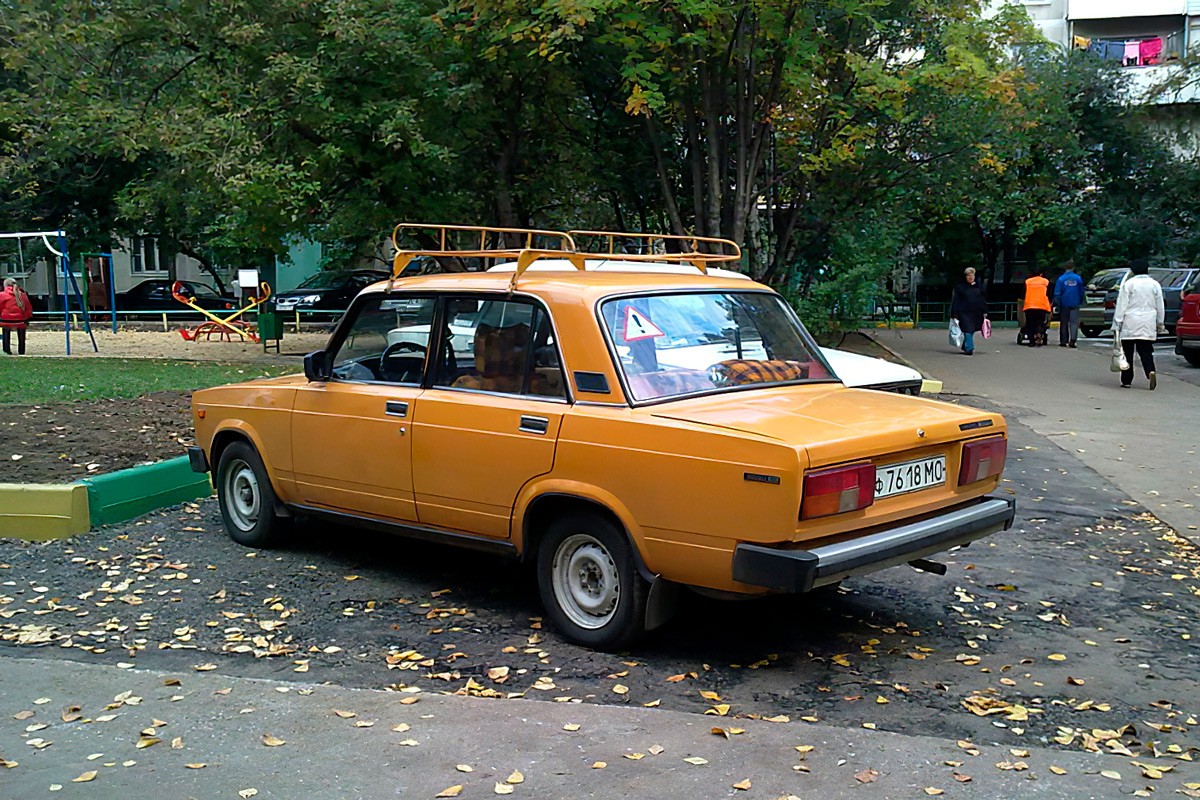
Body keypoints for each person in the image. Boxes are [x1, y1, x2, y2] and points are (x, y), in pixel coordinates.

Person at [1113, 257, 1165, 389]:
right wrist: (1160, 323)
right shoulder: (1154, 284)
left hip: (1130, 321)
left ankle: (1126, 380)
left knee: (1127, 353)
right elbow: (1160, 305)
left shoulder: (1129, 284)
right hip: (1148, 321)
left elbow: (1122, 304)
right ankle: (1150, 371)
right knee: (1146, 350)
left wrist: (1117, 322)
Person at [950, 267, 987, 355]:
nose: (970, 277)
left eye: (972, 275)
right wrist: (954, 314)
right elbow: (956, 301)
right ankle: (969, 348)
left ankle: (965, 345)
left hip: (976, 313)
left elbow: (983, 300)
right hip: (964, 313)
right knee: (968, 329)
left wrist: (985, 311)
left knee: (971, 330)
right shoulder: (960, 288)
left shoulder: (978, 287)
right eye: (968, 275)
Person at [1052, 260, 1085, 347]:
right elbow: (1081, 291)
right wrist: (1080, 301)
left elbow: (1057, 293)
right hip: (1075, 302)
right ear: (1073, 268)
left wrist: (1057, 304)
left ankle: (1063, 341)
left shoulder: (1061, 279)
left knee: (1064, 322)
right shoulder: (1078, 278)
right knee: (1074, 322)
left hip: (1064, 303)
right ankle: (1073, 340)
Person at [0, 277, 33, 355]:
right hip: (20, 321)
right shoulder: (22, 295)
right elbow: (28, 308)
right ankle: (21, 351)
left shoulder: (2, 295)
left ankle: (6, 350)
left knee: (6, 329)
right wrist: (26, 318)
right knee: (21, 330)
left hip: (6, 320)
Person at [1021, 267, 1051, 347]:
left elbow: (1023, 294)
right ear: (1041, 274)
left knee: (1030, 324)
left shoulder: (1028, 282)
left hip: (1029, 305)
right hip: (1042, 305)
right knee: (1040, 322)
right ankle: (1039, 334)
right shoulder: (1045, 282)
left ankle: (1031, 341)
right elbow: (1049, 294)